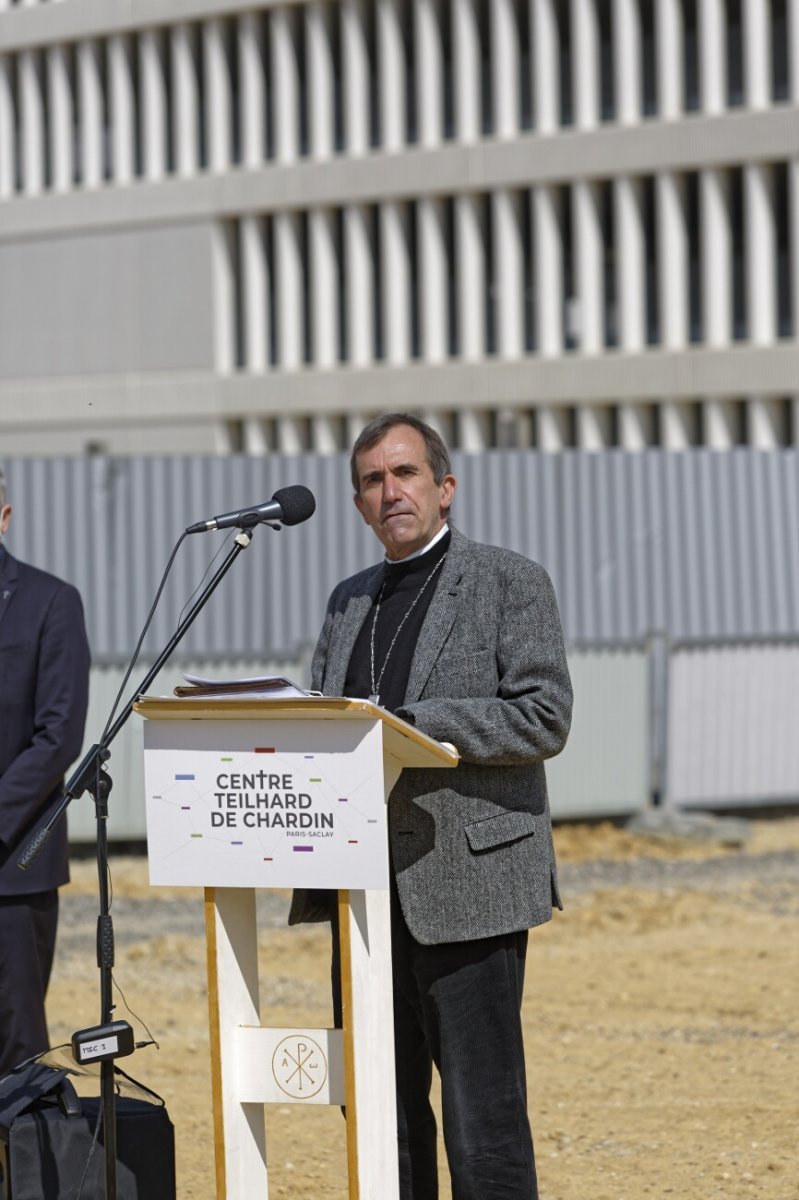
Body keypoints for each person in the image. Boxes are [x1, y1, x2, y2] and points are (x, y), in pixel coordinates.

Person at [290, 414, 573, 1199]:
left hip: (467, 887)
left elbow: (544, 715)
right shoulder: (349, 601)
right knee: (379, 1111)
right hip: (362, 889)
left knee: (482, 1120)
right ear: (358, 505)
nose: (391, 492)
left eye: (406, 473)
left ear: (445, 488)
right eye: (374, 481)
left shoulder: (508, 580)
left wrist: (418, 722)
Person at [0, 464, 91, 1077]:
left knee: (14, 1053)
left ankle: (16, 1175)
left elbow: (57, 737)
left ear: (3, 517)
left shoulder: (49, 602)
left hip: (12, 870)